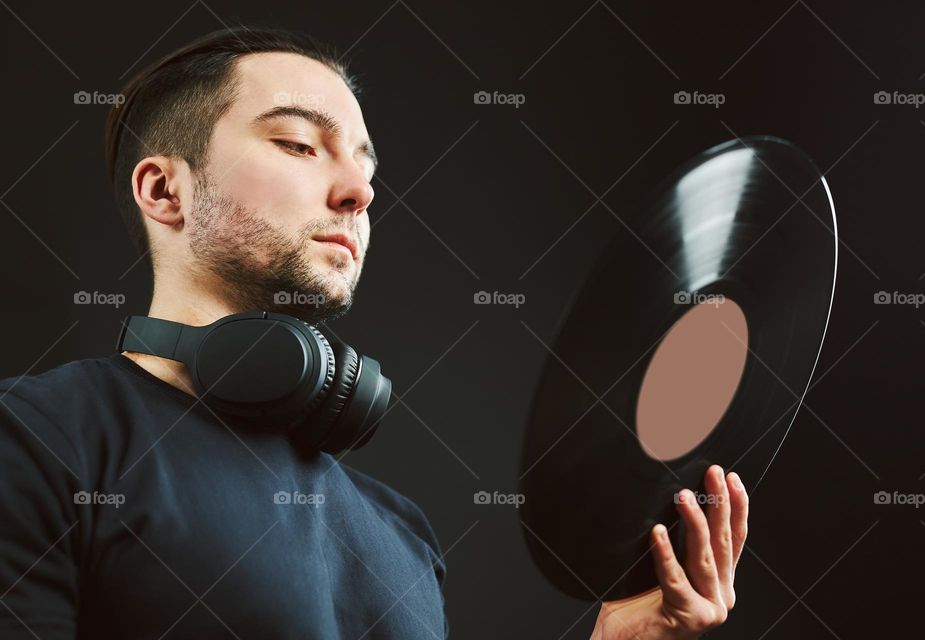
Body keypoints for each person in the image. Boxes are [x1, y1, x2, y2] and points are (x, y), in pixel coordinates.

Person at [0, 26, 748, 639]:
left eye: (367, 170)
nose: (357, 193)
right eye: (298, 145)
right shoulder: (38, 439)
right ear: (166, 190)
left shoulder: (401, 532)